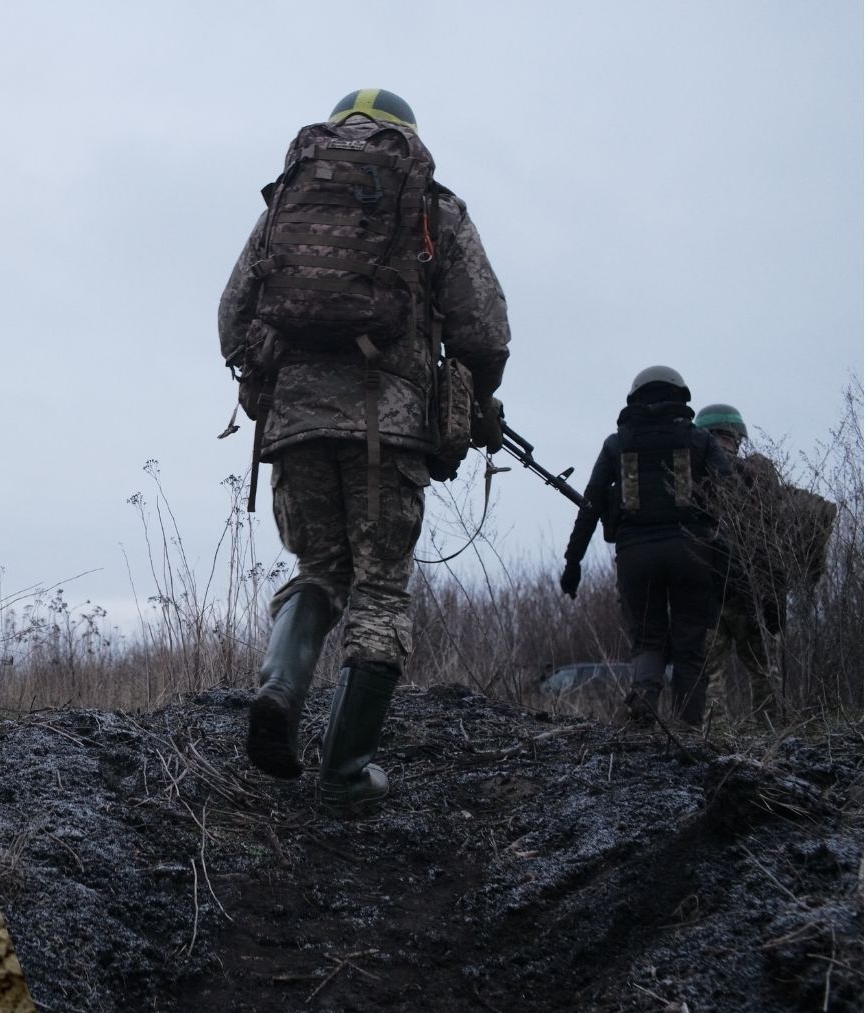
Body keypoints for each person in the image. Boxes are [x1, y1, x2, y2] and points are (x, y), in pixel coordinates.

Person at [218, 89, 511, 816]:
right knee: (379, 589)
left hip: (295, 422)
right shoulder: (432, 209)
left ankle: (279, 691)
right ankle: (345, 775)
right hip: (389, 421)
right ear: (406, 138)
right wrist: (474, 404)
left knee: (318, 570)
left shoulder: (286, 203)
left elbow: (233, 315)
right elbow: (484, 332)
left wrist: (265, 386)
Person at [560, 367, 734, 729]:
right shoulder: (700, 440)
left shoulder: (616, 444)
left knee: (648, 641)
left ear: (635, 398)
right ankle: (687, 731)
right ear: (680, 397)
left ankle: (642, 720)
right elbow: (734, 499)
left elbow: (590, 507)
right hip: (693, 554)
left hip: (636, 557)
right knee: (690, 646)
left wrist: (573, 562)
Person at [694, 404, 781, 718]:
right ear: (734, 437)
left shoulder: (692, 477)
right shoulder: (753, 475)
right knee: (762, 670)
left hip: (708, 589)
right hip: (749, 588)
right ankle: (772, 732)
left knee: (710, 672)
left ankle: (714, 739)